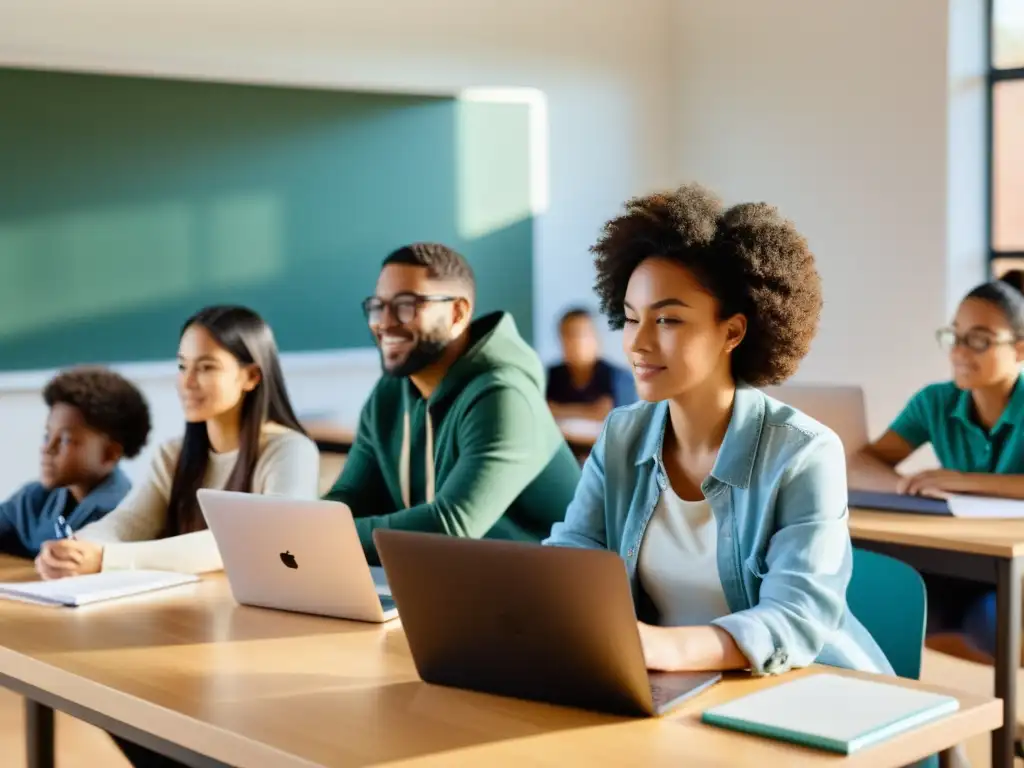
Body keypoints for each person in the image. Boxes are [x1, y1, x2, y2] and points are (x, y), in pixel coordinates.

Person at [544, 184, 891, 677]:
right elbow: (572, 558)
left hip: (800, 691)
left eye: (667, 319)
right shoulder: (622, 435)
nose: (638, 343)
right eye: (629, 319)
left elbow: (795, 618)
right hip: (666, 688)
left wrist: (661, 648)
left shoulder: (804, 453)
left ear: (732, 331)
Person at [324, 243, 581, 565]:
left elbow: (450, 526)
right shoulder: (389, 393)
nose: (384, 322)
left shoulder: (504, 396)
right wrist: (310, 525)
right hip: (454, 585)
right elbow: (350, 496)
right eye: (378, 306)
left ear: (457, 312)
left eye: (406, 305)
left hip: (550, 594)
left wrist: (324, 536)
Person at [34, 305, 320, 579]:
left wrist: (105, 559)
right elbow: (129, 521)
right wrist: (77, 546)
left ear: (251, 376)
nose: (187, 382)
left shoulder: (290, 451)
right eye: (183, 366)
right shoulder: (174, 454)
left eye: (207, 368)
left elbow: (249, 541)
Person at [851, 280, 1024, 660]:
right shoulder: (936, 401)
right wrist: (904, 484)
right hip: (961, 558)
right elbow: (859, 463)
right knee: (876, 595)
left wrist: (966, 482)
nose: (960, 351)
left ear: (1020, 348)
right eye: (954, 336)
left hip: (1014, 570)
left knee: (996, 622)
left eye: (979, 340)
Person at [0, 367, 150, 558]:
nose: (47, 448)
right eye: (48, 436)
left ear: (109, 454)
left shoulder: (121, 513)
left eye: (65, 440)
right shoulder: (35, 498)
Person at [546, 307, 636, 421]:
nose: (570, 342)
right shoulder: (553, 376)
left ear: (596, 338)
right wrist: (590, 411)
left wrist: (560, 410)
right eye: (565, 335)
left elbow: (617, 418)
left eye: (578, 335)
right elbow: (544, 412)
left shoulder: (619, 378)